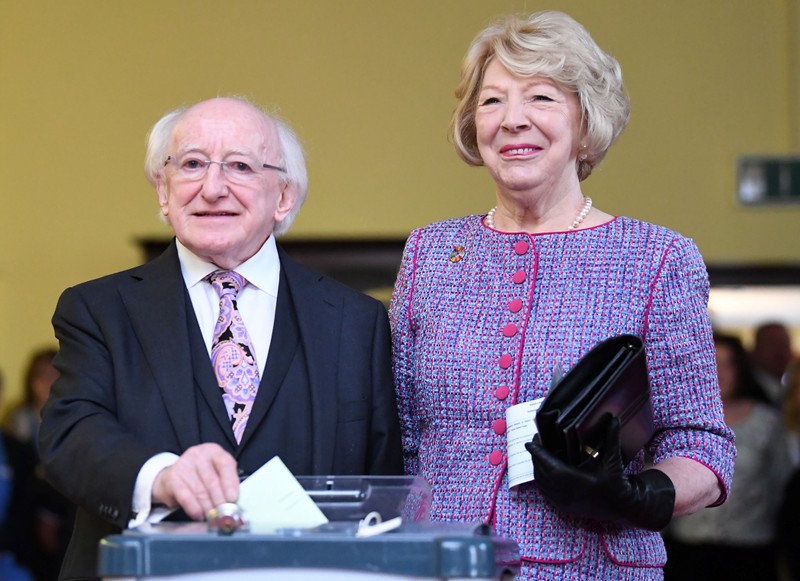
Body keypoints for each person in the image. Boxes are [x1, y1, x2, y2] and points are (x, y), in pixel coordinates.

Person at [389, 11, 735, 580]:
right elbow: (401, 432)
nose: (512, 120)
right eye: (492, 101)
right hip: (441, 564)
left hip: (594, 567)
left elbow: (703, 443)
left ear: (585, 120)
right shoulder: (430, 252)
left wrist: (639, 493)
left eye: (541, 98)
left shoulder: (657, 258)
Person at [39, 97, 403, 580]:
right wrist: (162, 476)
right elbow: (70, 433)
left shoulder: (356, 321)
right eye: (191, 164)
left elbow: (383, 486)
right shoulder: (98, 310)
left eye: (240, 166)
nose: (213, 188)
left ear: (284, 196)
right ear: (163, 190)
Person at [663, 333, 790, 580]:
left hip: (749, 548)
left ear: (741, 369)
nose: (719, 372)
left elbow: (780, 483)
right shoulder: (678, 419)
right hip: (688, 547)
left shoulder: (767, 422)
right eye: (711, 361)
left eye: (727, 363)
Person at [3, 348, 58, 447]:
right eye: (41, 375)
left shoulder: (75, 416)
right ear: (30, 381)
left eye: (53, 375)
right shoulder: (18, 420)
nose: (47, 382)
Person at [749, 321, 793, 407]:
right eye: (772, 344)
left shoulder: (792, 384)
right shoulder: (742, 389)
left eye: (785, 344)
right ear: (756, 349)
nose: (781, 352)